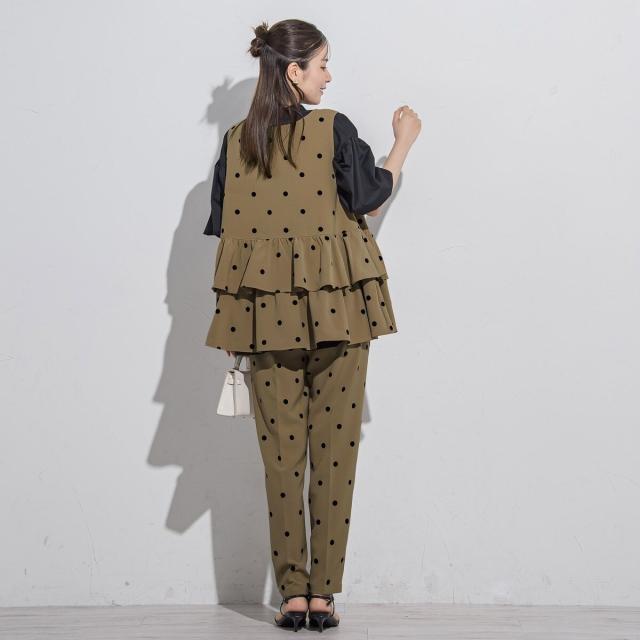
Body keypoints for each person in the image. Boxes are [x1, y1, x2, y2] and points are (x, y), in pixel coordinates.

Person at [203, 18, 421, 631]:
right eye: (322, 65)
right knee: (334, 453)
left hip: (264, 319)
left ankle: (292, 596)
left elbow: (227, 232)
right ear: (294, 72)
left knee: (281, 460)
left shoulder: (235, 143)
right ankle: (323, 595)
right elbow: (369, 196)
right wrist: (404, 142)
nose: (328, 76)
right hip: (339, 313)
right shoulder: (333, 127)